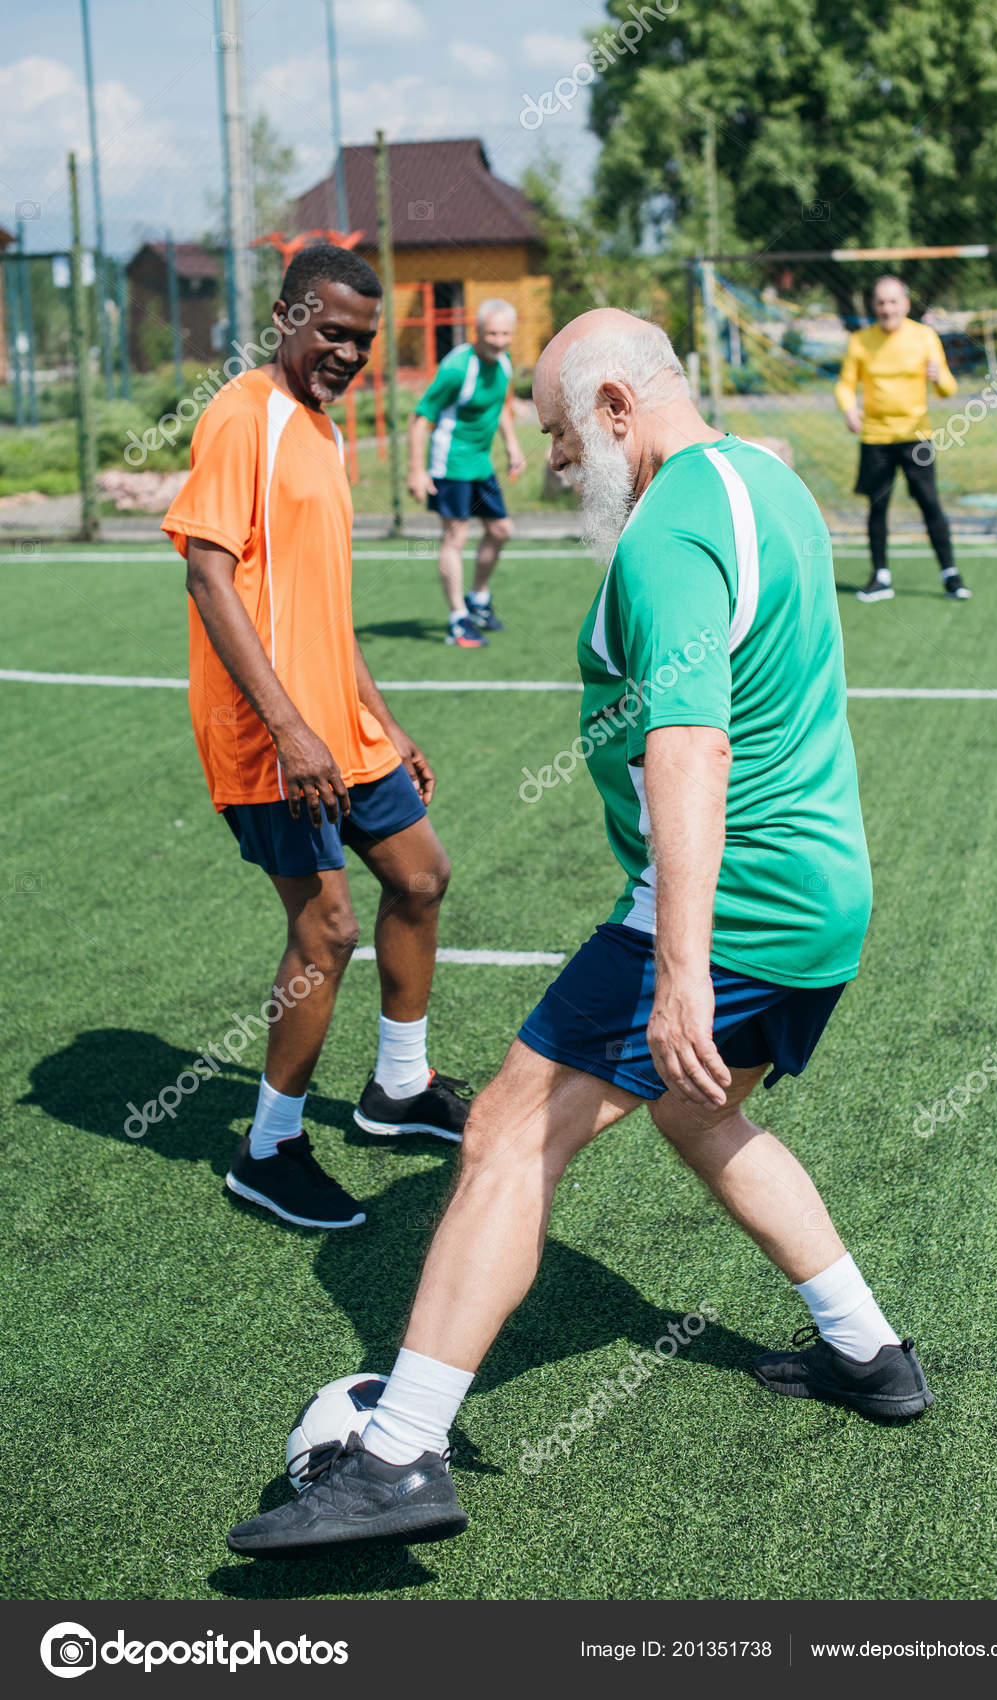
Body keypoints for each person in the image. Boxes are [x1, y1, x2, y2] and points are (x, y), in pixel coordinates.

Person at [226, 308, 931, 1556]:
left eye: (557, 431)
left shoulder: (664, 538)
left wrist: (676, 971)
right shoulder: (765, 474)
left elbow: (690, 744)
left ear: (616, 404)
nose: (551, 463)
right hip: (827, 897)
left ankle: (397, 1456)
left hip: (731, 905)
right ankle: (868, 1350)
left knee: (504, 1128)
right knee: (695, 1106)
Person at [162, 245, 471, 1234]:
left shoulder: (324, 433)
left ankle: (397, 1088)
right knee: (327, 928)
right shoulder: (240, 414)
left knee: (420, 875)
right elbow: (208, 577)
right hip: (265, 736)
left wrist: (379, 716)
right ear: (289, 314)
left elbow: (321, 608)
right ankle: (269, 1147)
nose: (347, 352)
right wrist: (292, 727)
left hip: (339, 723)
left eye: (363, 340)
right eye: (331, 330)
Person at [836, 275, 970, 601]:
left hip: (916, 438)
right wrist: (849, 408)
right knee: (877, 506)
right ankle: (881, 577)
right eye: (881, 302)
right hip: (876, 439)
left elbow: (948, 388)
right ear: (873, 305)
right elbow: (844, 384)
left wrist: (940, 378)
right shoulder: (860, 341)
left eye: (893, 302)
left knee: (929, 503)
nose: (887, 308)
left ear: (906, 305)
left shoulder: (924, 337)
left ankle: (950, 574)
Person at [407, 299, 526, 647]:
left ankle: (478, 599)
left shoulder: (503, 363)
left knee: (501, 529)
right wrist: (417, 472)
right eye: (492, 333)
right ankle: (458, 619)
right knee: (455, 538)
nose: (499, 340)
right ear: (478, 331)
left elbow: (500, 407)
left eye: (505, 333)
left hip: (479, 463)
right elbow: (420, 418)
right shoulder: (458, 368)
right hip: (450, 464)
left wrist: (513, 446)